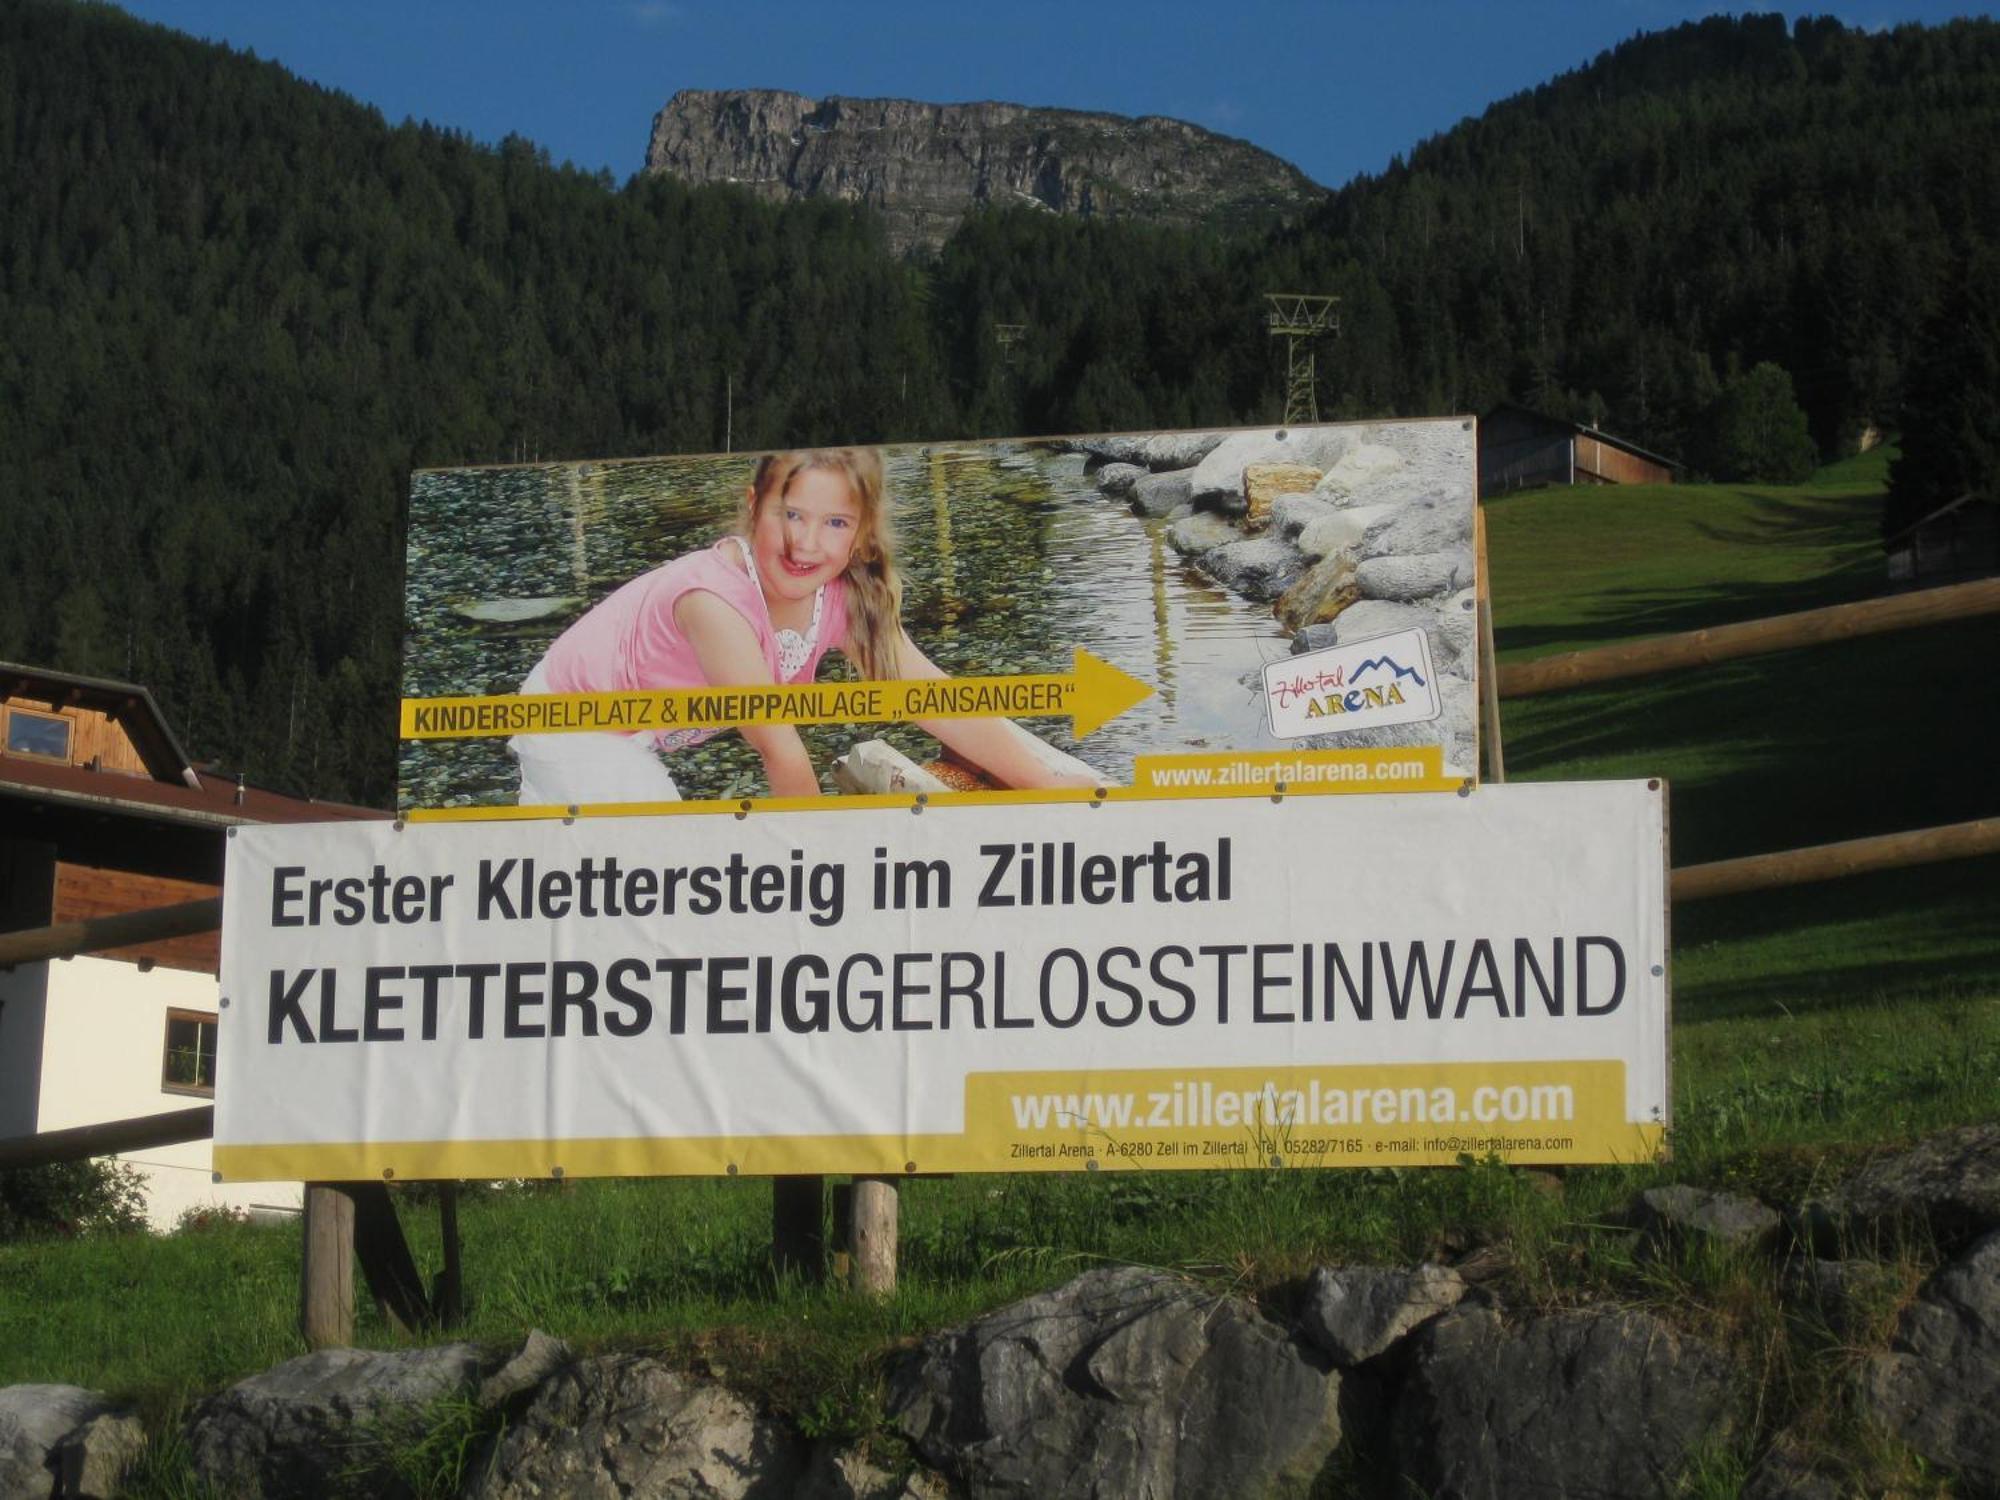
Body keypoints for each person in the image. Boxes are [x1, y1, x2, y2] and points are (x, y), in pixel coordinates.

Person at [509, 446, 1096, 805]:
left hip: (635, 733)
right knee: (663, 870)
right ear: (753, 507)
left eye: (835, 522)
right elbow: (782, 752)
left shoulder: (839, 597)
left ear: (862, 533)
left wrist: (1040, 781)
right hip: (571, 721)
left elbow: (931, 695)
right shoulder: (713, 603)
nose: (805, 543)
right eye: (789, 515)